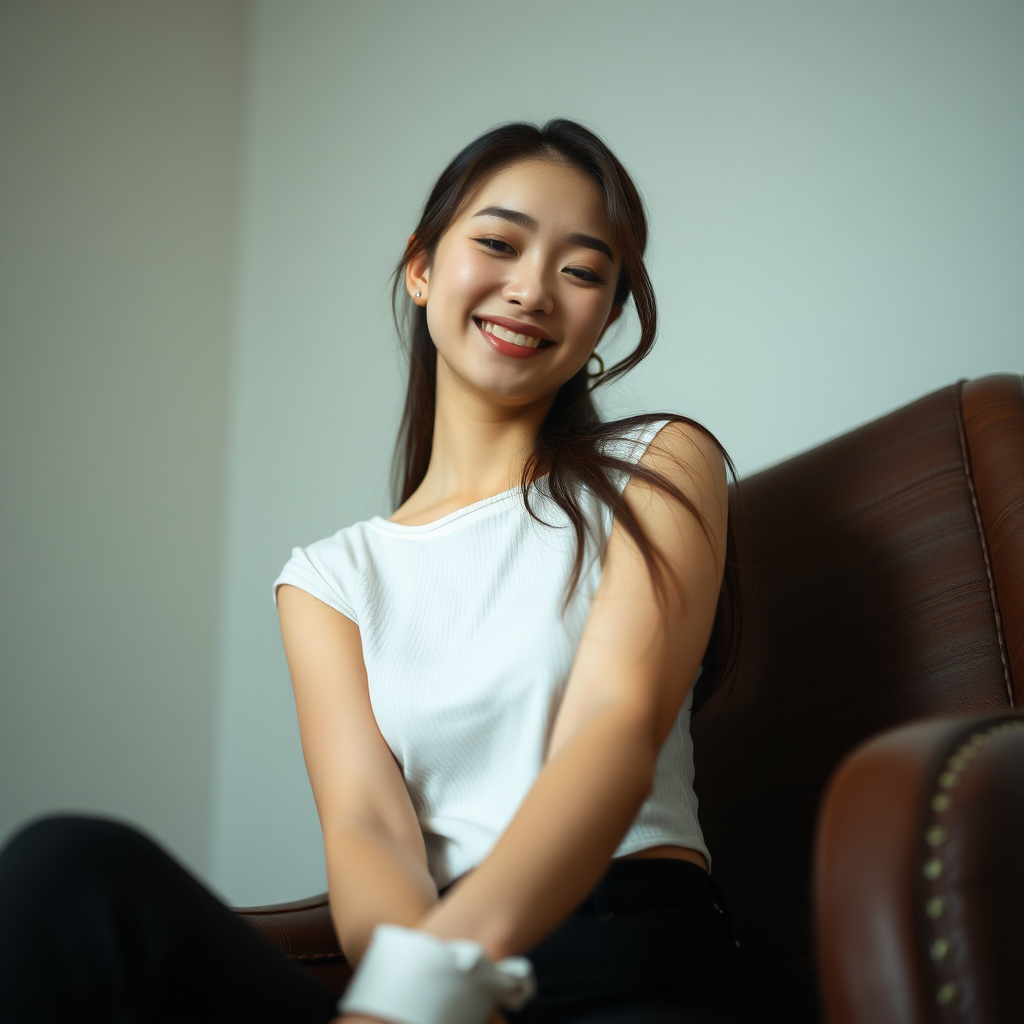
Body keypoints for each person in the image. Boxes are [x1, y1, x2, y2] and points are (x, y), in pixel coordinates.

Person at [0, 119, 763, 1024]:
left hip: (628, 961)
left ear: (605, 314)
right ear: (423, 268)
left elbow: (616, 724)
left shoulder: (662, 463)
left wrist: (429, 979)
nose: (530, 289)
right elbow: (368, 830)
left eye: (583, 270)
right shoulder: (330, 579)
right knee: (66, 869)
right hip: (432, 989)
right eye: (498, 243)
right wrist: (422, 996)